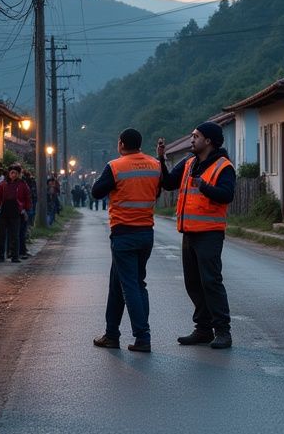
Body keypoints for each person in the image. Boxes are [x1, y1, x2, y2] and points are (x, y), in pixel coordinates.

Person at [158, 120, 236, 349]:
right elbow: (169, 183)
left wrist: (204, 187)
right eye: (192, 136)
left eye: (196, 136)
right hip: (189, 233)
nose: (192, 139)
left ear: (208, 141)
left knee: (211, 282)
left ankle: (223, 331)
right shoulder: (189, 163)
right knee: (193, 283)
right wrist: (161, 159)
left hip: (210, 234)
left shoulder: (224, 166)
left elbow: (227, 195)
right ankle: (203, 329)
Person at [90, 128, 160, 353]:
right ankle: (111, 334)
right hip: (146, 233)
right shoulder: (154, 165)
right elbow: (158, 192)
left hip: (124, 234)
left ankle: (143, 337)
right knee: (120, 285)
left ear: (121, 144)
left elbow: (96, 192)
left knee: (131, 286)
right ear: (140, 144)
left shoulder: (115, 166)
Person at [0, 164, 29, 262]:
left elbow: (27, 198)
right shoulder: (3, 184)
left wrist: (25, 209)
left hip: (16, 211)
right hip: (4, 211)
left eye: (16, 173)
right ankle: (0, 256)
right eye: (12, 173)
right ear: (9, 174)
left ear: (19, 174)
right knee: (1, 235)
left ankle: (15, 256)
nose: (13, 175)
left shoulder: (22, 184)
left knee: (15, 235)